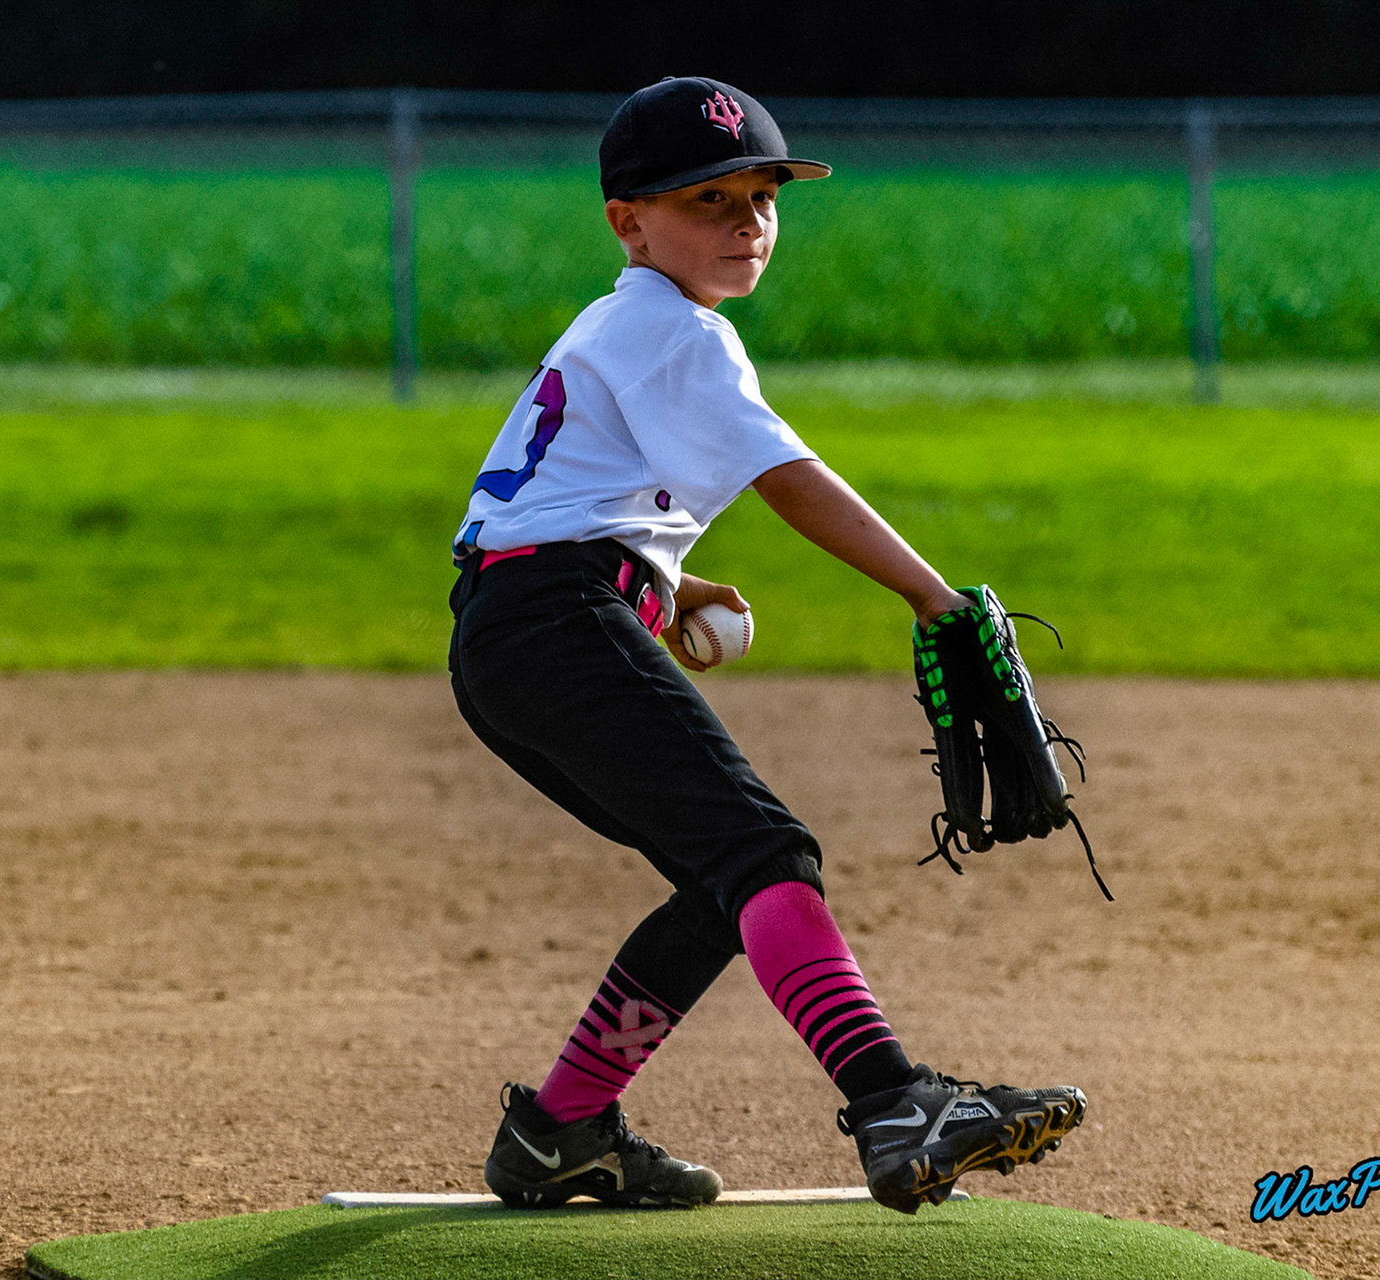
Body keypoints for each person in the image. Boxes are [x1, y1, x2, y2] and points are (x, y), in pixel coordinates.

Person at [446, 76, 1085, 1216]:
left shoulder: (620, 328)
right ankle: (894, 1098)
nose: (748, 221)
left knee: (721, 878)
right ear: (629, 221)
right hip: (554, 621)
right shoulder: (671, 327)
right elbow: (789, 482)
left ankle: (562, 1130)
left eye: (763, 196)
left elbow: (538, 497)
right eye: (711, 199)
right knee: (767, 854)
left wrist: (664, 578)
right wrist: (935, 596)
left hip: (518, 628)